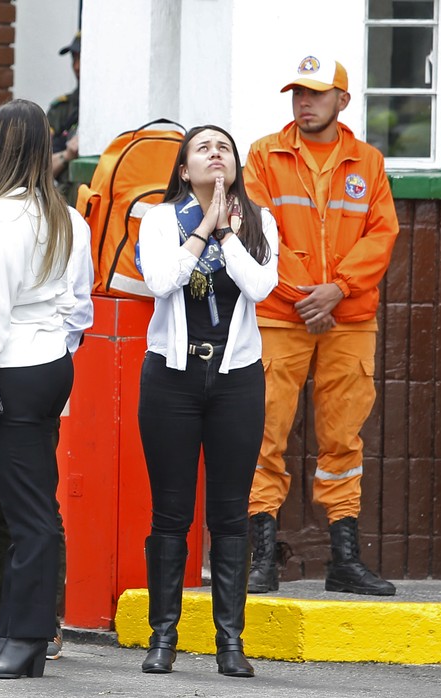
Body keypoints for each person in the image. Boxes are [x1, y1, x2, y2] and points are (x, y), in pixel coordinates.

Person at [243, 56, 399, 597]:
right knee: (264, 435)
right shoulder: (264, 155)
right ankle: (261, 557)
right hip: (282, 315)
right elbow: (256, 232)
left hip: (348, 318)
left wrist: (338, 290)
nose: (303, 102)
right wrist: (311, 295)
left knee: (343, 440)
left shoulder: (369, 162)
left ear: (342, 101)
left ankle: (344, 561)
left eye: (315, 93)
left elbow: (381, 236)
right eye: (296, 93)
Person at [136, 125, 278, 678]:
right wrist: (202, 231)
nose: (216, 154)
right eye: (204, 148)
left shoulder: (259, 220)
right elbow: (161, 280)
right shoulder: (159, 218)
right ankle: (163, 636)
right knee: (170, 511)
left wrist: (228, 235)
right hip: (172, 377)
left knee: (229, 512)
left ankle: (230, 642)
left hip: (237, 376)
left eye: (225, 148)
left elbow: (261, 287)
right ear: (183, 169)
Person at [0, 181, 93, 662]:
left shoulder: (51, 218)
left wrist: (36, 351)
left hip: (12, 372)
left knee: (31, 509)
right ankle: (5, 621)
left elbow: (12, 308)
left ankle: (35, 628)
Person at [0, 99, 75, 680]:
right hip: (48, 360)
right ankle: (23, 637)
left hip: (14, 369)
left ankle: (24, 636)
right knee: (35, 510)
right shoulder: (52, 209)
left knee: (27, 515)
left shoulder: (3, 216)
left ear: (2, 146)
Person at [48, 32, 80, 204]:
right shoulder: (61, 110)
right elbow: (39, 170)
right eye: (74, 59)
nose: (76, 66)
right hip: (66, 204)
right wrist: (67, 154)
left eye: (81, 59)